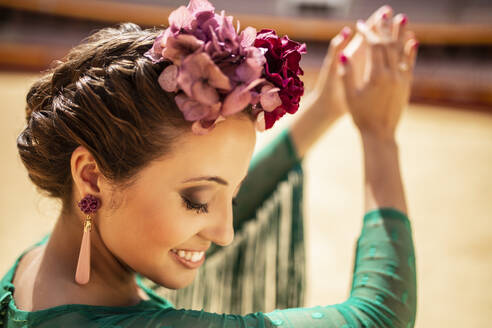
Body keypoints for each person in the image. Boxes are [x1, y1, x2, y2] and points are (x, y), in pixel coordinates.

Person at [0, 0, 418, 326]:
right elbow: (378, 318)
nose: (225, 234)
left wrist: (326, 110)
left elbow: (176, 204)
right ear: (90, 176)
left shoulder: (42, 270)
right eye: (198, 201)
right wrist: (379, 136)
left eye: (230, 199)